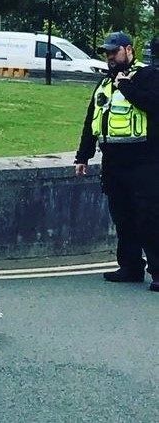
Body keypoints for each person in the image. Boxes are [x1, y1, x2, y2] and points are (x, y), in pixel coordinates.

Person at [74, 31, 159, 292]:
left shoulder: (148, 76)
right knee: (123, 218)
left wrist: (126, 86)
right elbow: (92, 121)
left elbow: (154, 104)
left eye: (114, 51)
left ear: (129, 50)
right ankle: (130, 267)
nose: (110, 57)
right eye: (107, 53)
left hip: (145, 161)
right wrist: (83, 155)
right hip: (114, 162)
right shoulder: (104, 84)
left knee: (149, 218)